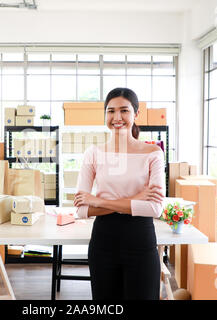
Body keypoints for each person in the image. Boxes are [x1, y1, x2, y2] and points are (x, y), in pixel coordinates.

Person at [74, 87, 165, 300]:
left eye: (124, 110)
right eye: (110, 111)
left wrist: (97, 200)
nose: (117, 117)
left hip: (141, 244)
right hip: (103, 244)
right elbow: (81, 209)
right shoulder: (94, 153)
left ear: (136, 114)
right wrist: (136, 199)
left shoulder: (153, 153)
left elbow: (154, 208)